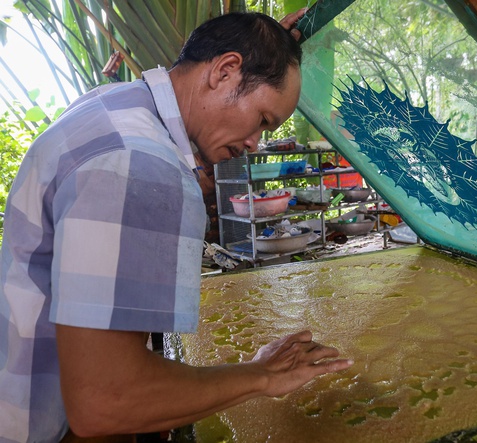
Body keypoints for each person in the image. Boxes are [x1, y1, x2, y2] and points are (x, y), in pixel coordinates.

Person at [0, 10, 353, 443]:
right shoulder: (144, 163)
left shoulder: (113, 107)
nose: (253, 145)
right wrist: (261, 376)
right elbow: (105, 402)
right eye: (262, 121)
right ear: (225, 70)